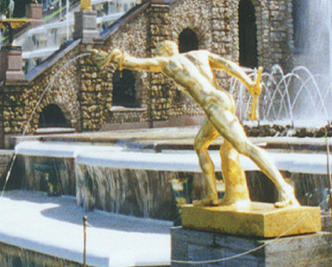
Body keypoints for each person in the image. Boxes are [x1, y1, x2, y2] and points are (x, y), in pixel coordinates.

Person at [92, 42, 299, 209]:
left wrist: (120, 58)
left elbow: (141, 64)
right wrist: (249, 83)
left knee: (244, 147)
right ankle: (213, 196)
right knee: (200, 144)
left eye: (157, 51)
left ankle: (284, 188)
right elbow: (228, 65)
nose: (156, 54)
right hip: (224, 99)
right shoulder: (199, 55)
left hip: (212, 105)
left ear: (165, 50)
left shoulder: (168, 62)